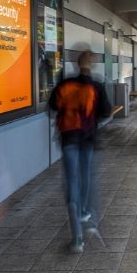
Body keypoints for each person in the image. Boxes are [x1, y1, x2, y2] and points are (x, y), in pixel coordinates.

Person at [49, 50, 111, 252]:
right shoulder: (97, 86)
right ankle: (85, 212)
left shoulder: (65, 84)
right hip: (88, 139)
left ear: (77, 64)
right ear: (91, 65)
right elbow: (106, 112)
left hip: (68, 139)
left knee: (71, 184)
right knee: (86, 177)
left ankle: (76, 239)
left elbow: (52, 106)